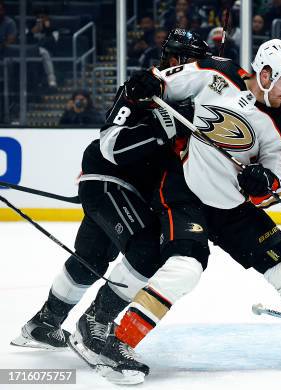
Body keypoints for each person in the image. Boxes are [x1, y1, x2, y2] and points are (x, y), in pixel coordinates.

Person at [88, 39, 281, 384]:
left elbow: (278, 187)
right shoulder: (216, 73)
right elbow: (163, 81)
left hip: (232, 206)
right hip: (185, 190)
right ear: (265, 73)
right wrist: (146, 86)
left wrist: (262, 184)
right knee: (184, 268)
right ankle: (119, 342)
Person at [12, 30, 209, 361]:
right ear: (176, 61)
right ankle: (96, 322)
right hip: (109, 181)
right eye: (194, 63)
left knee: (90, 259)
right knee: (146, 248)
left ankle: (43, 324)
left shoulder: (191, 103)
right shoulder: (143, 89)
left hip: (124, 189)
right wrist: (164, 130)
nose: (200, 72)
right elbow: (112, 146)